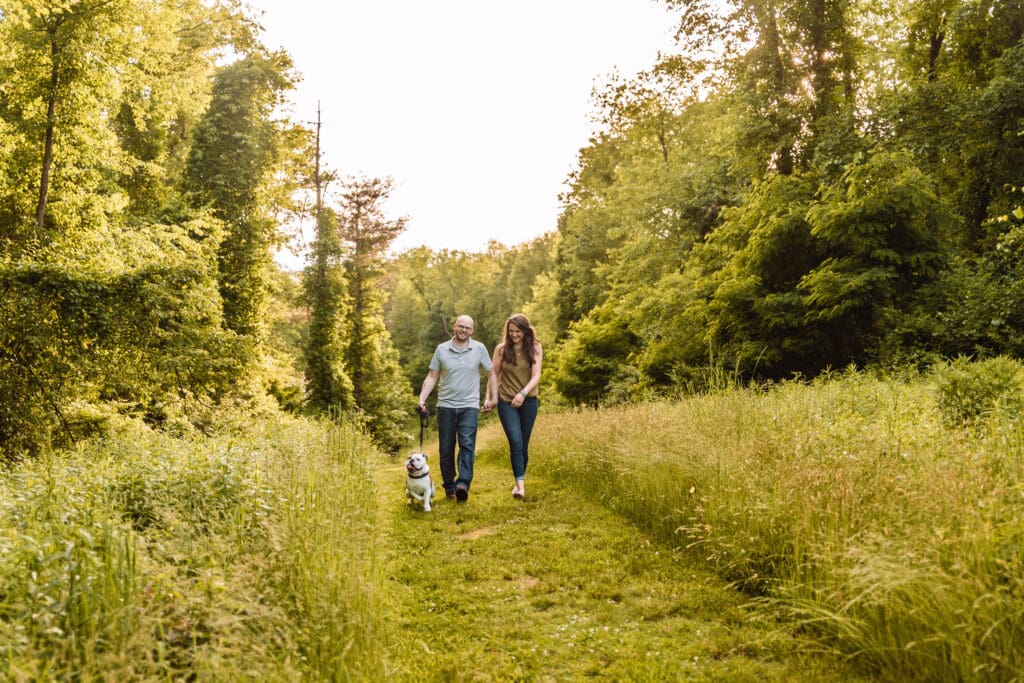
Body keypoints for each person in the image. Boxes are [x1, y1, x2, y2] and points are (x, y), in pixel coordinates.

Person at [418, 315, 496, 502]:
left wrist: (493, 398)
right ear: (454, 327)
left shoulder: (479, 349)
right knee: (446, 449)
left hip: (469, 406)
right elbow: (431, 376)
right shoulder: (442, 349)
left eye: (467, 328)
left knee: (467, 444)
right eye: (461, 326)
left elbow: (491, 373)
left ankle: (463, 483)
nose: (463, 330)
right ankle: (449, 486)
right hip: (445, 406)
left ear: (472, 330)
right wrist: (421, 399)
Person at [488, 313, 542, 500]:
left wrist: (523, 393)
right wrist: (490, 398)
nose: (514, 335)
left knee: (523, 445)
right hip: (506, 401)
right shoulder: (501, 350)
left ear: (525, 331)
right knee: (515, 442)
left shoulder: (535, 347)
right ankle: (520, 487)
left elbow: (536, 376)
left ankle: (519, 480)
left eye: (518, 331)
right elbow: (493, 375)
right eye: (511, 331)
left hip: (528, 401)